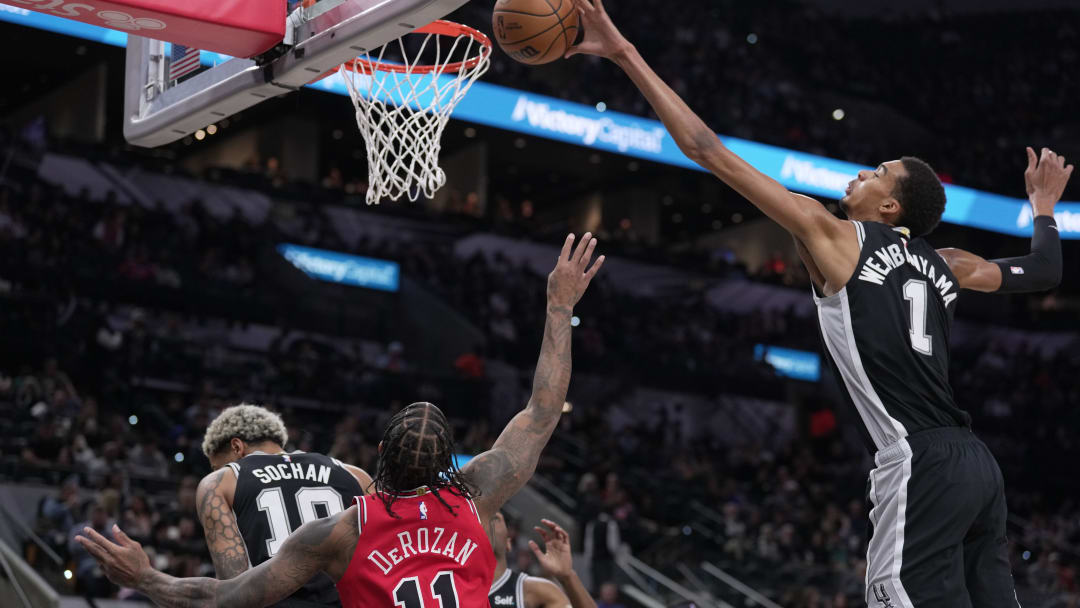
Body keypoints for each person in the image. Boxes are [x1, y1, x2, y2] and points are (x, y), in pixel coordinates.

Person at [565, 2, 1072, 606]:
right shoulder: (950, 264)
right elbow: (1044, 270)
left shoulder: (832, 235)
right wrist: (1043, 209)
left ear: (891, 208)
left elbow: (706, 150)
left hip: (918, 462)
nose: (862, 172)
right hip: (978, 466)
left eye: (879, 172)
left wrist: (623, 52)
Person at [76, 233, 605, 608]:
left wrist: (147, 578)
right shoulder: (475, 497)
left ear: (377, 455)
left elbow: (230, 596)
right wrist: (559, 307)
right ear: (451, 465)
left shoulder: (342, 529)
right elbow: (541, 409)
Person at [195, 403, 372, 608]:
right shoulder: (356, 475)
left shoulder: (220, 481)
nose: (218, 470)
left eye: (218, 465)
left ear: (237, 447)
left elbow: (234, 591)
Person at [488, 514, 596, 608]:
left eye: (495, 518)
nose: (487, 524)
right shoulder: (471, 588)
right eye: (478, 518)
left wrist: (567, 577)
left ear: (508, 543)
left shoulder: (534, 590)